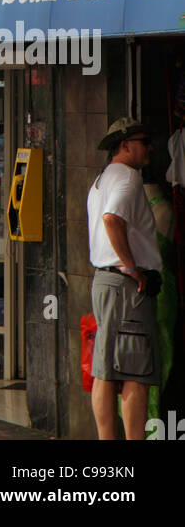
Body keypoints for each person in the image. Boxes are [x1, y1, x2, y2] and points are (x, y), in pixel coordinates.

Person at [87, 117, 161, 441]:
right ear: (125, 145)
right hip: (126, 286)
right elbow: (111, 219)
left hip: (104, 283)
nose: (150, 148)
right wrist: (132, 267)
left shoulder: (102, 179)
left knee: (105, 369)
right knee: (135, 371)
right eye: (144, 142)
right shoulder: (129, 178)